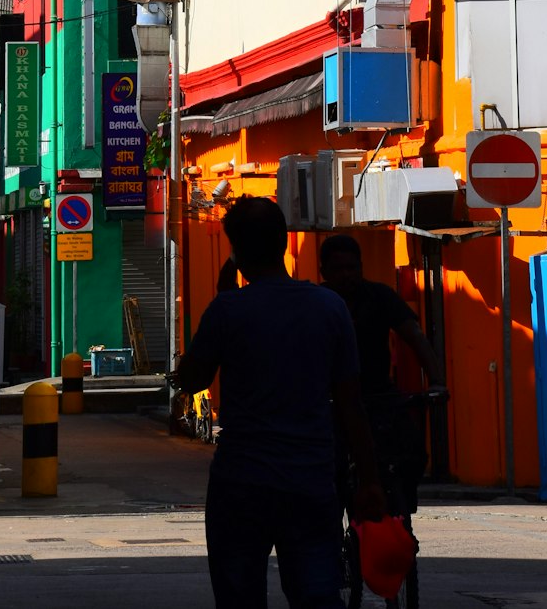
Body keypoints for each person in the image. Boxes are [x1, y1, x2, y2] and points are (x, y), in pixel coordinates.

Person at [174, 197, 384, 609]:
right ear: (285, 242)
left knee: (239, 596)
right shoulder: (329, 308)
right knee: (317, 594)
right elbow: (350, 403)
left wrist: (221, 299)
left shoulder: (227, 310)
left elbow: (192, 379)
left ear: (236, 253)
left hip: (242, 481)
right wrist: (371, 480)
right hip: (309, 478)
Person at [319, 235, 446, 513]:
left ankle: (401, 513)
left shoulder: (379, 296)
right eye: (338, 269)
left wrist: (437, 381)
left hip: (379, 398)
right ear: (324, 272)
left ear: (361, 268)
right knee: (323, 473)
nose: (346, 275)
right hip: (330, 404)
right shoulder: (317, 303)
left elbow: (413, 335)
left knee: (409, 453)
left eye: (352, 268)